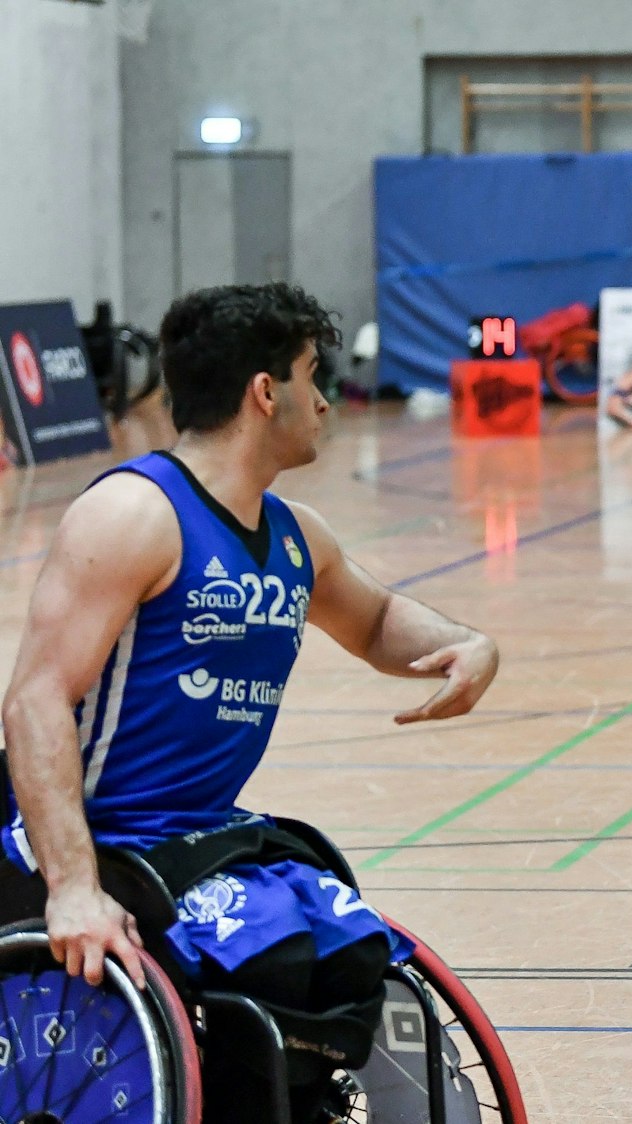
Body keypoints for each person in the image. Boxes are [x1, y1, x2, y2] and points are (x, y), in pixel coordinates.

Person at [0, 282, 501, 1122]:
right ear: (264, 393)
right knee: (269, 964)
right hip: (95, 836)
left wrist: (467, 645)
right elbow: (34, 700)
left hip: (196, 835)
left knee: (343, 950)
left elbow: (377, 621)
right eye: (312, 375)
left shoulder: (295, 534)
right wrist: (73, 886)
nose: (325, 398)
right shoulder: (134, 513)